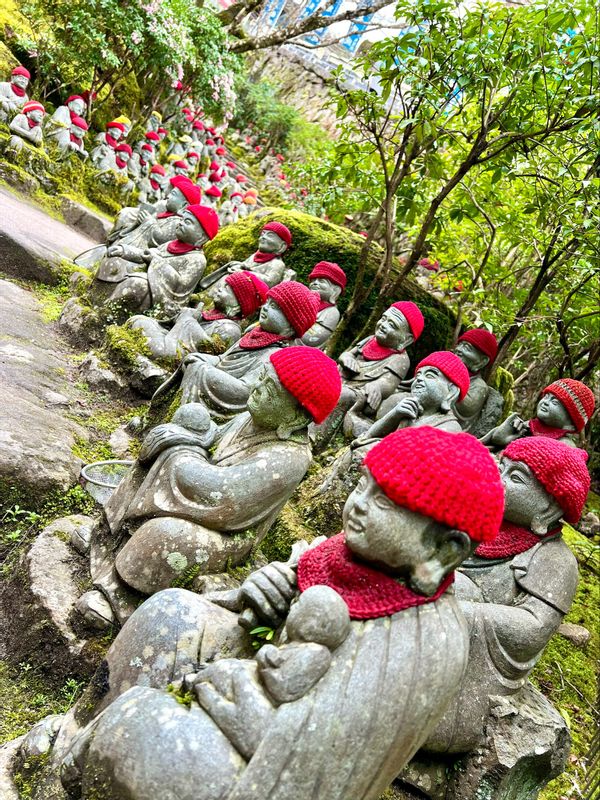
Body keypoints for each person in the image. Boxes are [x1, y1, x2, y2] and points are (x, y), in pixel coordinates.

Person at [55, 427, 504, 800]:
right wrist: (264, 591)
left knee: (142, 725)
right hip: (248, 673)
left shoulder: (425, 641)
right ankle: (73, 732)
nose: (359, 504)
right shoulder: (345, 555)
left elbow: (321, 756)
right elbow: (275, 600)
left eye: (384, 501)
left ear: (445, 548)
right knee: (169, 612)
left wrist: (230, 691)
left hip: (260, 765)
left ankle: (87, 760)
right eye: (363, 485)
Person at [75, 347, 342, 627]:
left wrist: (180, 452)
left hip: (228, 532)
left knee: (167, 533)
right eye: (263, 377)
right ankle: (106, 539)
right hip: (200, 494)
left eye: (272, 391)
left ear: (296, 419)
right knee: (177, 433)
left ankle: (119, 596)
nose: (259, 388)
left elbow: (225, 497)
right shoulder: (252, 417)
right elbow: (214, 439)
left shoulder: (289, 459)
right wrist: (190, 433)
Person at [426, 436, 590, 753]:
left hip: (464, 674)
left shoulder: (555, 561)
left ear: (549, 508)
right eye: (501, 468)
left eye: (514, 479)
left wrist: (459, 608)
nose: (498, 481)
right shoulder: (473, 520)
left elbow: (533, 629)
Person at [177, 281, 319, 417]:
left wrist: (203, 369)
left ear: (291, 324)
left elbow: (247, 390)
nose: (266, 307)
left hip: (230, 397)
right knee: (195, 362)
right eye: (268, 302)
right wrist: (204, 359)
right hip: (217, 377)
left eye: (274, 307)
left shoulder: (274, 355)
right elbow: (223, 358)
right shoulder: (253, 335)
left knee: (198, 368)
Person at [129, 270, 268, 360]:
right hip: (169, 339)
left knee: (144, 332)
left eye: (227, 289)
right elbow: (170, 327)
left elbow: (207, 351)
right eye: (223, 285)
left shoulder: (230, 329)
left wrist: (189, 321)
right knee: (139, 320)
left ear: (239, 305)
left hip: (176, 355)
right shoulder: (208, 314)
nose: (220, 289)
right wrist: (184, 316)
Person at [482, 378, 594, 450]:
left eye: (554, 402)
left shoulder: (565, 447)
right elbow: (489, 443)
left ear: (571, 424)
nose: (545, 402)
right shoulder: (526, 427)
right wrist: (503, 435)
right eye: (546, 397)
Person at [301, 261, 346, 349]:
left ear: (335, 290)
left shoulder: (332, 313)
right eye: (313, 280)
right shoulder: (303, 302)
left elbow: (311, 338)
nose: (315, 283)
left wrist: (293, 327)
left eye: (321, 281)